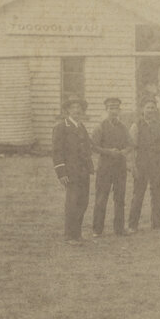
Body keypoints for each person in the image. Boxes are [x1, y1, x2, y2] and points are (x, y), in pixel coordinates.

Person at [128, 97, 160, 232]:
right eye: (147, 107)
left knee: (156, 193)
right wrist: (132, 165)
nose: (150, 110)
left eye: (152, 108)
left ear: (156, 110)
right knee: (138, 194)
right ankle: (132, 225)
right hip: (141, 164)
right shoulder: (136, 126)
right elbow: (131, 147)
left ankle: (156, 224)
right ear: (142, 110)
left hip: (157, 164)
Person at [52, 95, 94, 242]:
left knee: (83, 202)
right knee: (72, 202)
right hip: (70, 172)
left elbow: (88, 147)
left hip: (83, 172)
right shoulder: (61, 127)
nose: (77, 110)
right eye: (73, 107)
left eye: (79, 108)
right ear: (68, 110)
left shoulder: (81, 127)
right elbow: (57, 151)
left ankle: (77, 234)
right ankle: (70, 235)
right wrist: (61, 172)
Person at [90, 97, 131, 237]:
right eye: (111, 108)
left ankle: (119, 229)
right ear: (106, 110)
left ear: (119, 110)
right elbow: (93, 146)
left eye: (116, 108)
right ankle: (97, 229)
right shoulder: (100, 126)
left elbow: (130, 144)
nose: (114, 111)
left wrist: (124, 151)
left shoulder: (123, 127)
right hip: (105, 167)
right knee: (101, 198)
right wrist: (109, 152)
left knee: (120, 198)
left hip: (120, 166)